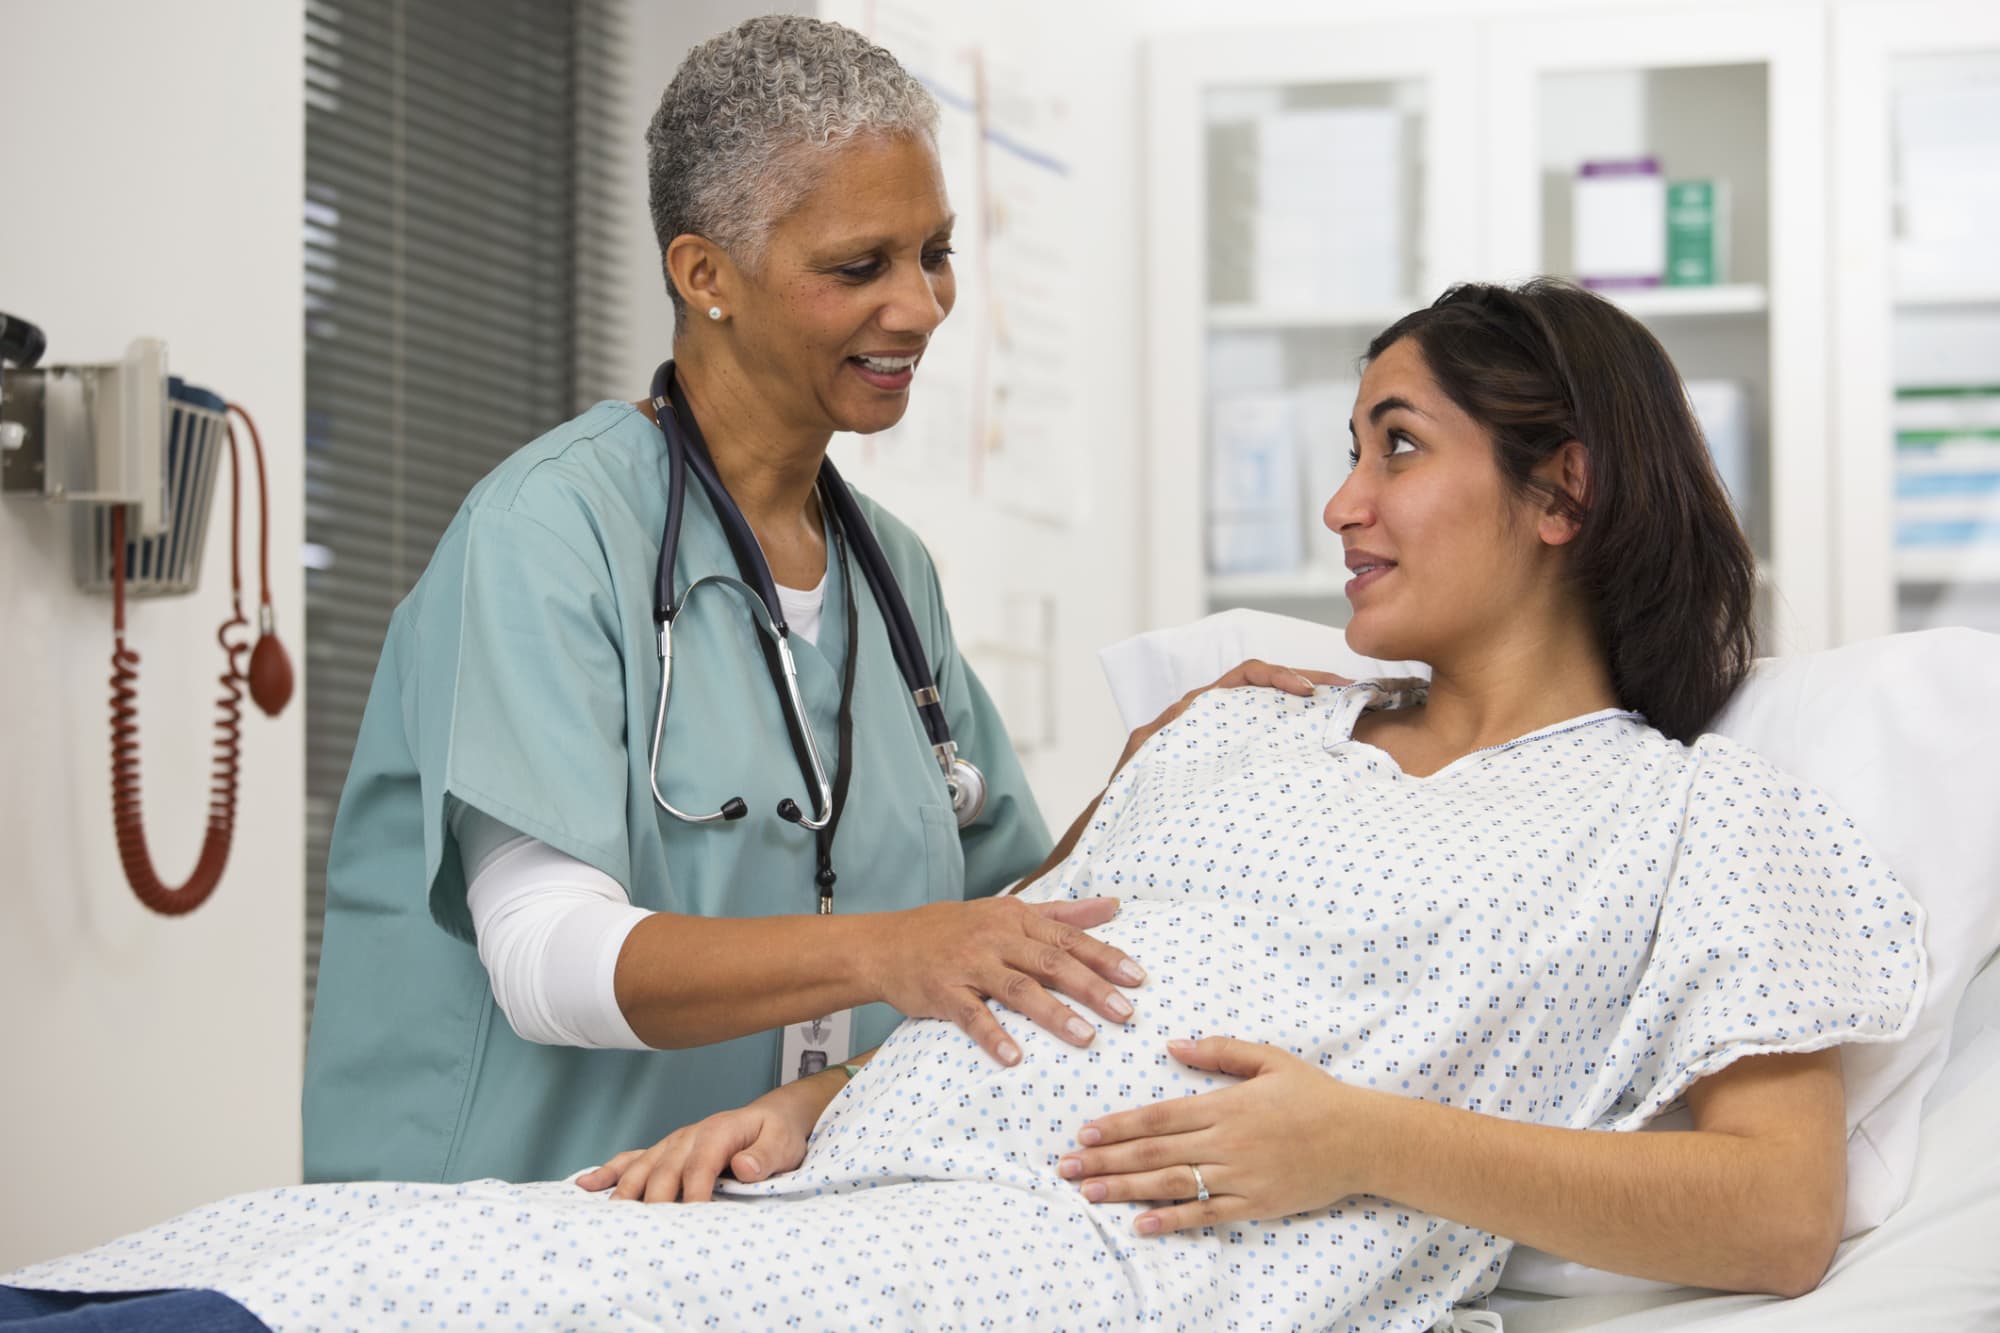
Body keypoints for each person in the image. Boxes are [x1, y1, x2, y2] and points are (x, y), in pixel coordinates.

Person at [1, 280, 1924, 1331]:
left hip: (1089, 1271)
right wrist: (800, 1104)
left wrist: (1362, 1144)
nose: (1339, 501)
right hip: (845, 1202)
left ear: (1564, 491)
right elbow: (1026, 961)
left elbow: (1771, 1210)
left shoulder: (1691, 817)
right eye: (1344, 445)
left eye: (1396, 446)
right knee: (273, 1252)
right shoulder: (1242, 728)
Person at [300, 13, 1215, 1186]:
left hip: (769, 1243)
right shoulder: (546, 535)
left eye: (934, 252)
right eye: (859, 266)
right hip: (513, 1231)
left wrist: (1174, 761)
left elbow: (1008, 916)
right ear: (704, 275)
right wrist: (885, 953)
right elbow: (546, 959)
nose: (922, 306)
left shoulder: (891, 576)